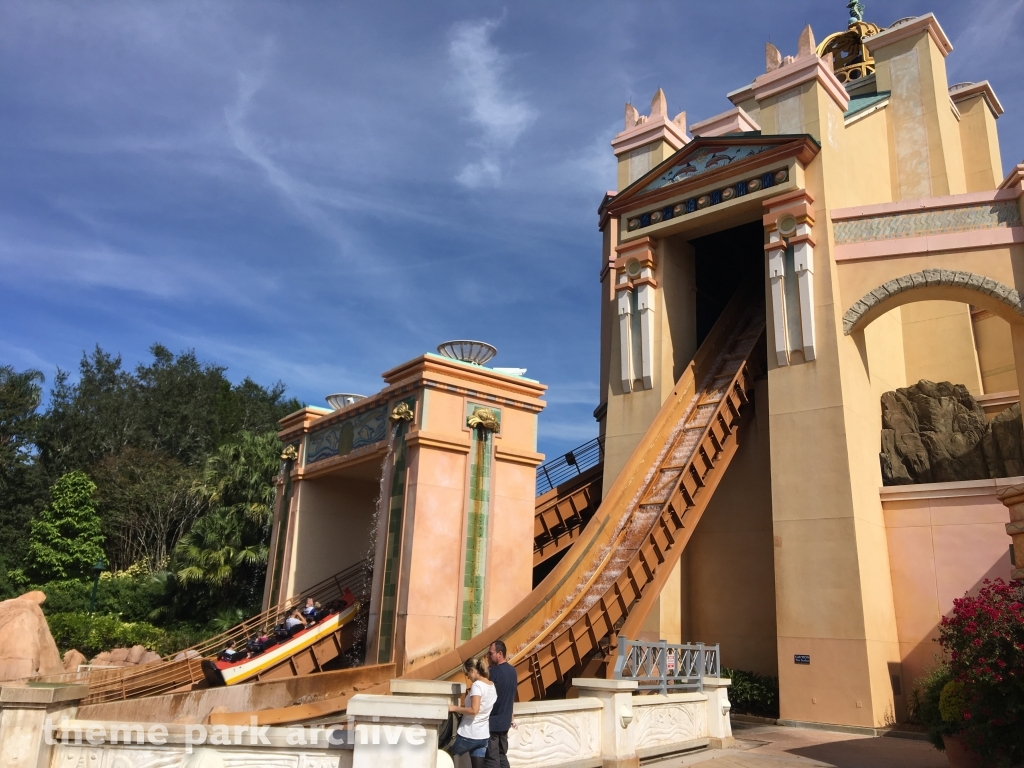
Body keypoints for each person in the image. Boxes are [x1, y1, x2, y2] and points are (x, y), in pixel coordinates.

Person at [447, 658, 496, 768]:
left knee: (445, 752)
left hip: (469, 734)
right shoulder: (491, 685)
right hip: (483, 736)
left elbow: (474, 710)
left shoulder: (477, 686)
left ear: (472, 670)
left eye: (467, 673)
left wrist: (454, 708)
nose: (468, 677)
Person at [484, 640, 515, 768]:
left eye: (491, 654)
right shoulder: (513, 671)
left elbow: (486, 697)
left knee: (492, 759)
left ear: (500, 654)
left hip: (493, 723)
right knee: (502, 755)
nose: (488, 656)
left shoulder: (494, 673)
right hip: (505, 721)